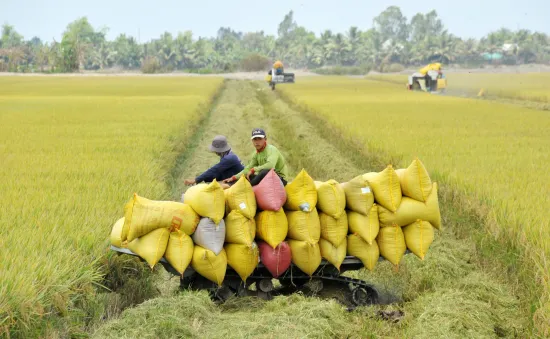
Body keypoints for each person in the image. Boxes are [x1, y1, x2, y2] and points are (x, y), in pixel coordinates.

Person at [223, 128, 289, 186]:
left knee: (265, 171)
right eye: (255, 139)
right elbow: (248, 168)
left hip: (280, 179)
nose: (257, 142)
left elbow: (270, 166)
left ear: (265, 139)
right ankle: (230, 185)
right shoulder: (256, 153)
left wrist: (254, 169)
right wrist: (234, 177)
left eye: (259, 139)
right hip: (267, 178)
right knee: (247, 176)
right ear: (252, 141)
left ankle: (248, 187)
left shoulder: (271, 150)